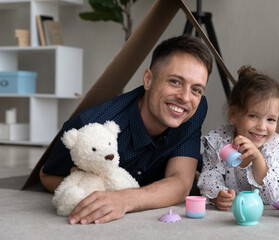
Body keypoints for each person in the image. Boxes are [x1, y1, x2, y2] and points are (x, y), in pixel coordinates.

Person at [39, 34, 213, 224]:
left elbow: (180, 183)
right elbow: (46, 175)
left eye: (196, 89)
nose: (186, 97)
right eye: (175, 82)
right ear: (148, 79)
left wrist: (124, 199)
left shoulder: (195, 109)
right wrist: (89, 187)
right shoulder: (91, 126)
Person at [197, 65, 279, 211]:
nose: (262, 127)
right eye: (253, 116)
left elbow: (273, 196)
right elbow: (209, 178)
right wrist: (218, 195)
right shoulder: (219, 140)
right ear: (233, 115)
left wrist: (257, 158)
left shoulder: (273, 145)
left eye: (271, 120)